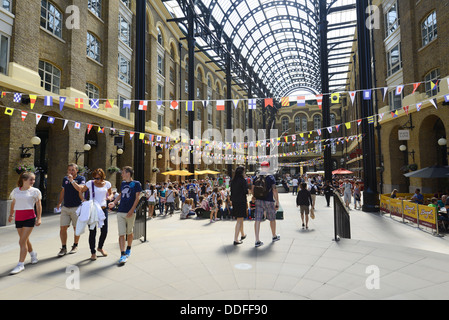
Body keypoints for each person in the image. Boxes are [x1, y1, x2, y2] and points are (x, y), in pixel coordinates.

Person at [69, 168, 112, 261]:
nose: (97, 180)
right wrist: (83, 200)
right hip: (92, 210)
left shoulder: (107, 184)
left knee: (104, 231)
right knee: (93, 231)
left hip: (103, 209)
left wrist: (110, 198)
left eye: (99, 178)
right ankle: (93, 252)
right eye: (95, 178)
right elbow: (80, 191)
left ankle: (100, 247)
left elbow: (110, 194)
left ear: (102, 177)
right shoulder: (90, 183)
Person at [8, 172, 42, 275]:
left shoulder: (35, 191)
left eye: (34, 179)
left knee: (21, 241)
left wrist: (39, 218)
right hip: (19, 218)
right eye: (31, 179)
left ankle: (20, 264)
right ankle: (33, 253)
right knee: (25, 239)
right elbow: (13, 203)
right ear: (24, 180)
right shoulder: (16, 191)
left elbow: (38, 205)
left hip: (30, 217)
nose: (33, 181)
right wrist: (11, 215)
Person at [108, 166, 142, 265]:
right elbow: (120, 195)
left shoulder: (136, 184)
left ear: (128, 173)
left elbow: (137, 198)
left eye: (123, 173)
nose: (121, 174)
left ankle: (129, 248)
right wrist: (114, 203)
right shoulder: (123, 183)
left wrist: (132, 210)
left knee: (129, 232)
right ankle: (122, 254)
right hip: (121, 211)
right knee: (121, 234)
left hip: (130, 212)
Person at [56, 164, 85, 257]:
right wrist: (59, 203)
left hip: (76, 207)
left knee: (76, 228)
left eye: (73, 170)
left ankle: (75, 245)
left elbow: (80, 189)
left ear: (77, 170)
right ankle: (63, 247)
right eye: (69, 170)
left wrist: (72, 180)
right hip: (66, 207)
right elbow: (63, 191)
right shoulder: (65, 179)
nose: (71, 172)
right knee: (63, 228)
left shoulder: (81, 178)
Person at [252, 161, 280, 247]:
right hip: (269, 201)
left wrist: (254, 197)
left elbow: (252, 189)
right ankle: (274, 236)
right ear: (268, 167)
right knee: (272, 219)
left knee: (257, 220)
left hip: (259, 201)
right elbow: (274, 190)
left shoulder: (256, 177)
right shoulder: (270, 177)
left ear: (261, 167)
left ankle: (257, 240)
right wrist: (277, 201)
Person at [230, 166, 248, 245]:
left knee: (240, 219)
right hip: (241, 201)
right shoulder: (243, 181)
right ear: (242, 173)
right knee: (239, 221)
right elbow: (246, 191)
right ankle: (236, 239)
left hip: (235, 202)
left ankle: (243, 234)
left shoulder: (233, 181)